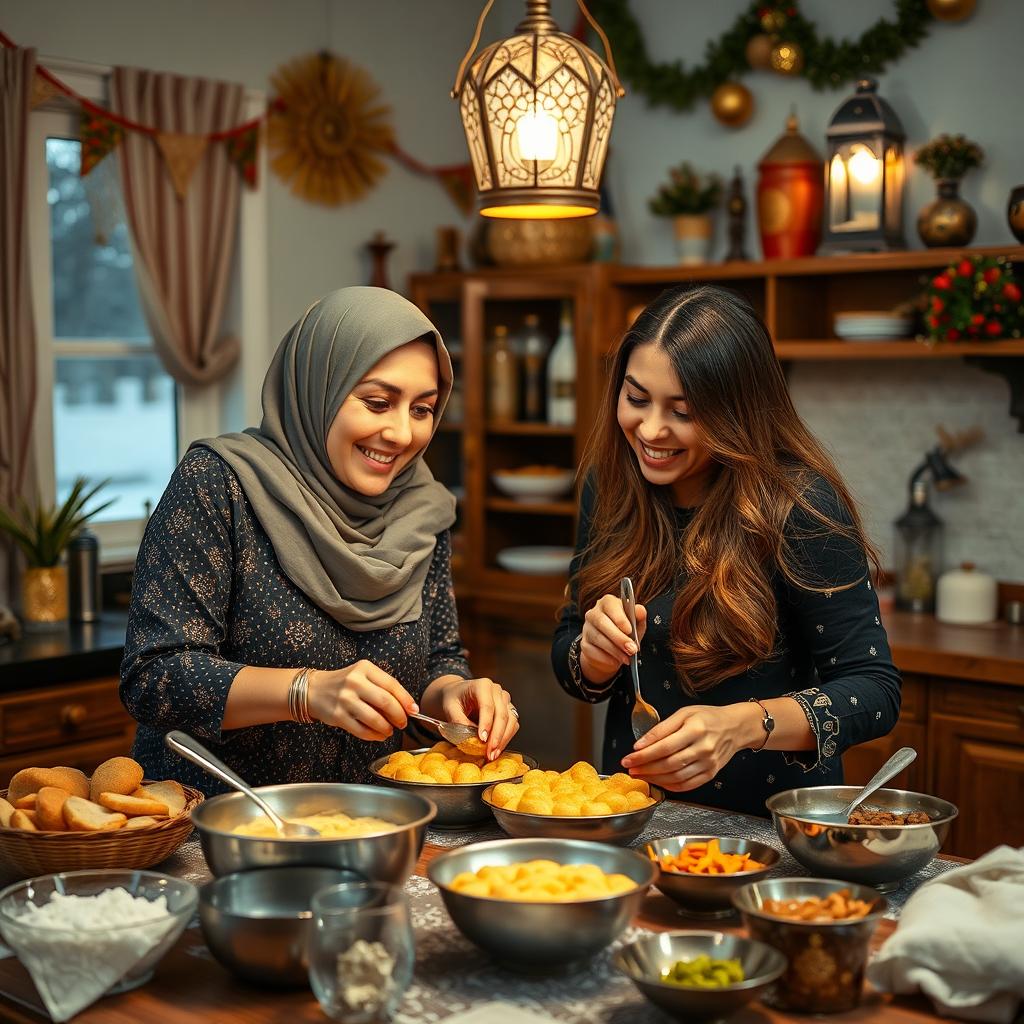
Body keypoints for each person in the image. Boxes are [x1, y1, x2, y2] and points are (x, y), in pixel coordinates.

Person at [122, 287, 518, 795]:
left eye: (423, 410)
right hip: (221, 828)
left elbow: (438, 658)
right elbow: (154, 676)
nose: (402, 433)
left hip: (370, 826)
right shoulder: (219, 486)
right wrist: (305, 691)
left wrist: (455, 695)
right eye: (378, 403)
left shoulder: (423, 508)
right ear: (318, 386)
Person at [551, 284, 900, 817]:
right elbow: (572, 659)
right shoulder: (611, 485)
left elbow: (874, 692)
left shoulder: (797, 506)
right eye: (636, 398)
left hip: (768, 837)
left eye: (683, 412)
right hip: (633, 818)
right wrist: (591, 656)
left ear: (738, 412)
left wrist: (744, 725)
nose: (649, 429)